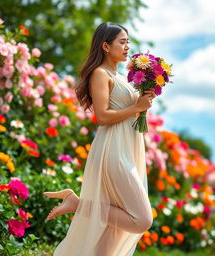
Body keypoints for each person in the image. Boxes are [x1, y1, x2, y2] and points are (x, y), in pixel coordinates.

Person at [43, 21, 156, 256]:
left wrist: (143, 104)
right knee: (142, 220)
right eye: (121, 42)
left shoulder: (124, 77)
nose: (127, 47)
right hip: (113, 150)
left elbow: (132, 111)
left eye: (128, 42)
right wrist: (136, 106)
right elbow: (103, 117)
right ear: (105, 46)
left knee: (111, 235)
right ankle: (79, 204)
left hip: (128, 146)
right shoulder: (100, 74)